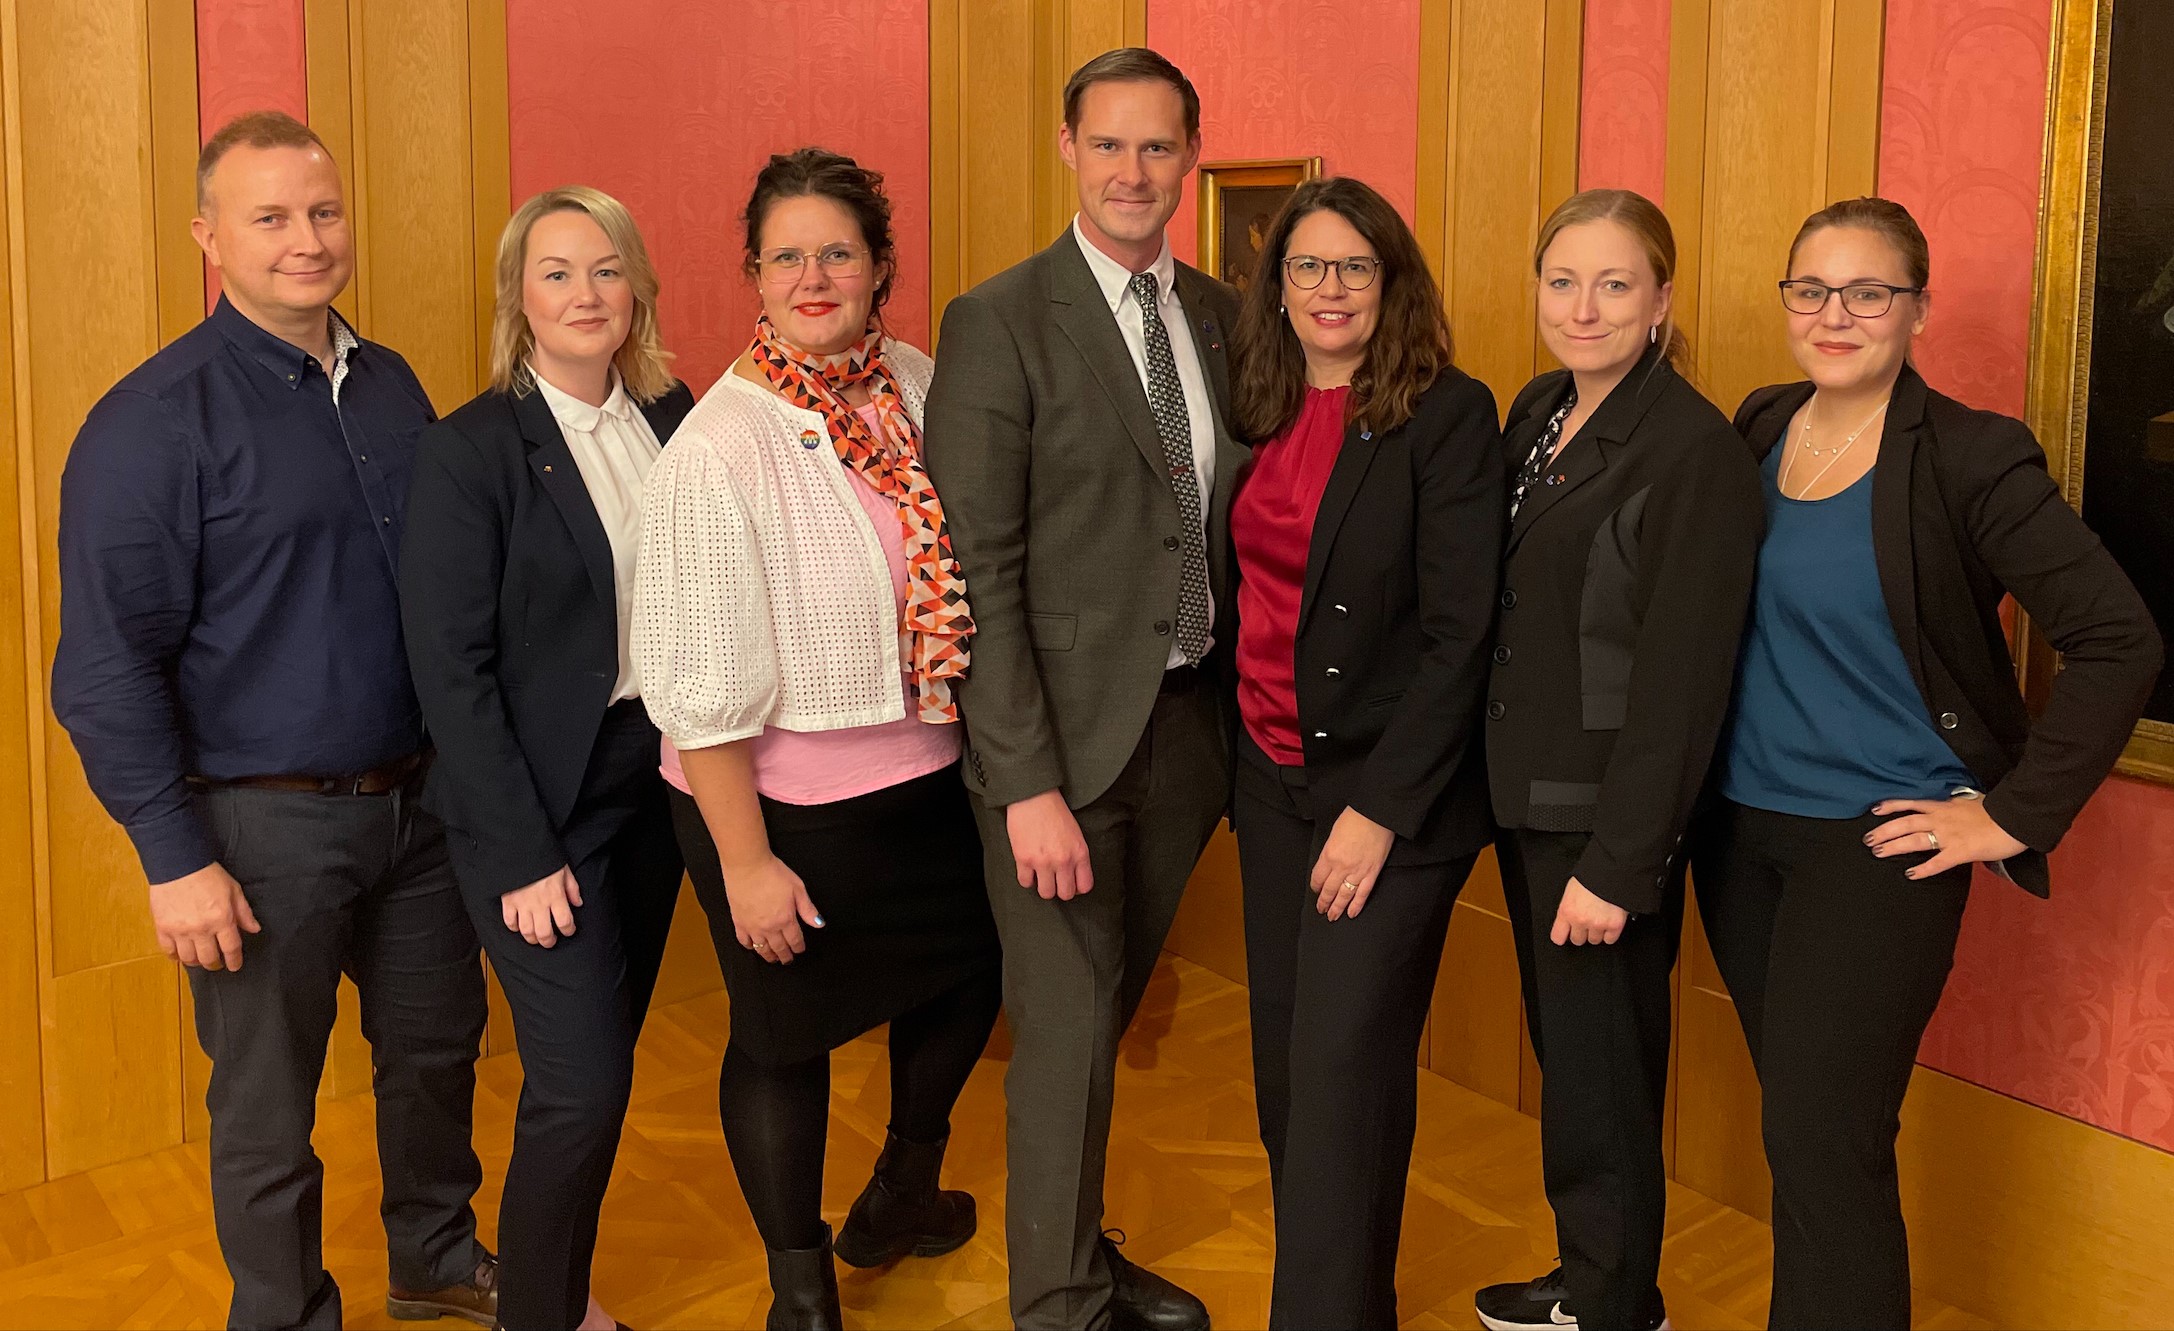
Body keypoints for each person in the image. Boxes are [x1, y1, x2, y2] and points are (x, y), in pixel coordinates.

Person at [49, 111, 495, 1331]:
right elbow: (102, 667)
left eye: (323, 211)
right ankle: (286, 1310)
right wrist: (173, 855)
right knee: (264, 1104)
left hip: (419, 810)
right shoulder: (151, 425)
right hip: (257, 831)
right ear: (209, 238)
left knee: (436, 1056)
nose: (308, 239)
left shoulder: (391, 381)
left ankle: (434, 1253)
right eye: (271, 217)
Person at [1691, 197, 2161, 1330]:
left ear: (1918, 308)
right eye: (1810, 289)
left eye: (1867, 292)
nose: (1834, 313)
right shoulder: (1757, 425)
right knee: (1801, 1132)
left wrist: (2005, 816)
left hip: (1875, 851)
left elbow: (2118, 638)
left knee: (1824, 1139)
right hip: (1739, 837)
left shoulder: (1967, 455)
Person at [633, 147, 1003, 1331]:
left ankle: (901, 1184)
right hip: (775, 799)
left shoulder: (919, 382)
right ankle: (802, 1289)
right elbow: (693, 689)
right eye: (785, 254)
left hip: (929, 771)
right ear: (751, 273)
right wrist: (746, 862)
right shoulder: (719, 446)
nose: (812, 273)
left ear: (879, 265)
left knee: (966, 977)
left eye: (836, 250)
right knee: (784, 1036)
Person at [923, 47, 1241, 1331]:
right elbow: (974, 571)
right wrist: (1025, 784)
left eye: (1156, 146)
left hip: (1186, 734)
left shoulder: (1222, 315)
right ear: (1066, 149)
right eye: (1106, 144)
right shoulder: (997, 319)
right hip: (1053, 752)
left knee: (1099, 1019)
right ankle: (1055, 1302)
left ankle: (1080, 1252)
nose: (1131, 170)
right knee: (1058, 1034)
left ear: (1189, 158)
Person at [399, 186, 693, 1331]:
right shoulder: (471, 450)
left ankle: (558, 1297)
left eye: (606, 269)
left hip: (651, 784)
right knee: (579, 1083)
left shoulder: (674, 417)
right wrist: (521, 852)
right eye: (557, 271)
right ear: (519, 296)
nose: (585, 293)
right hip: (533, 805)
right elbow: (450, 673)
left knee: (601, 1063)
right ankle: (539, 1310)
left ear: (637, 290)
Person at [1474, 188, 1763, 1331]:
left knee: (1600, 1070)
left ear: (1661, 300)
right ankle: (1594, 1271)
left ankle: (1606, 1303)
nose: (1582, 306)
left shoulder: (1692, 451)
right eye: (1561, 281)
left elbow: (1682, 683)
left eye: (1612, 283)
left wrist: (1620, 858)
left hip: (1598, 821)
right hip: (1521, 791)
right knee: (1575, 1058)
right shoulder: (1538, 407)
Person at [1223, 177, 1504, 1327]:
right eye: (1306, 267)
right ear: (1275, 287)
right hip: (1269, 779)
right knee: (1295, 1084)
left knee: (1338, 1079)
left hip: (1390, 798)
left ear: (1390, 284)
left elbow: (1460, 634)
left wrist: (1378, 809)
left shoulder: (1444, 413)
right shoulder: (1256, 400)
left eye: (1354, 267)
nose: (1328, 289)